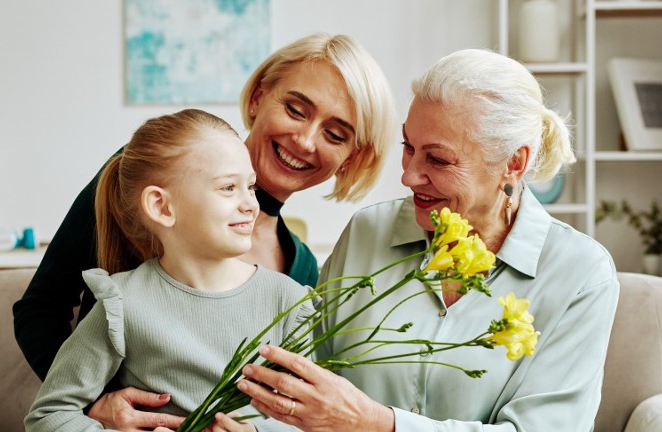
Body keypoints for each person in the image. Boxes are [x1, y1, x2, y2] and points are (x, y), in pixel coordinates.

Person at [12, 33, 396, 430]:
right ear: (257, 99)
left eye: (335, 135)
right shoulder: (153, 180)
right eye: (296, 109)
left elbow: (290, 407)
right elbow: (40, 309)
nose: (304, 140)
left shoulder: (298, 276)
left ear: (351, 157)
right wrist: (93, 408)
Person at [232, 48, 620, 432]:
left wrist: (377, 424)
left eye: (438, 160)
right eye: (408, 148)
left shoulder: (581, 274)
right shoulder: (368, 232)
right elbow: (294, 388)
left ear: (513, 164)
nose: (409, 177)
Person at [24, 108, 313, 432]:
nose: (250, 204)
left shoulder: (288, 302)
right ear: (162, 207)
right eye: (228, 188)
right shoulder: (122, 303)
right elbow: (49, 415)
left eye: (251, 187)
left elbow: (310, 421)